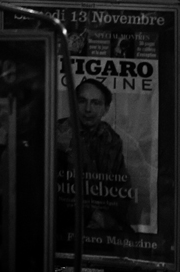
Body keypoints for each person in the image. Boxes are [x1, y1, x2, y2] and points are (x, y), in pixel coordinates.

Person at [57, 78, 134, 231]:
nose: (88, 109)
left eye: (96, 103)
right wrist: (91, 215)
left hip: (102, 221)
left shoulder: (111, 139)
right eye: (82, 101)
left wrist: (106, 219)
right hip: (65, 223)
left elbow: (121, 187)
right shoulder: (57, 133)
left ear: (105, 109)